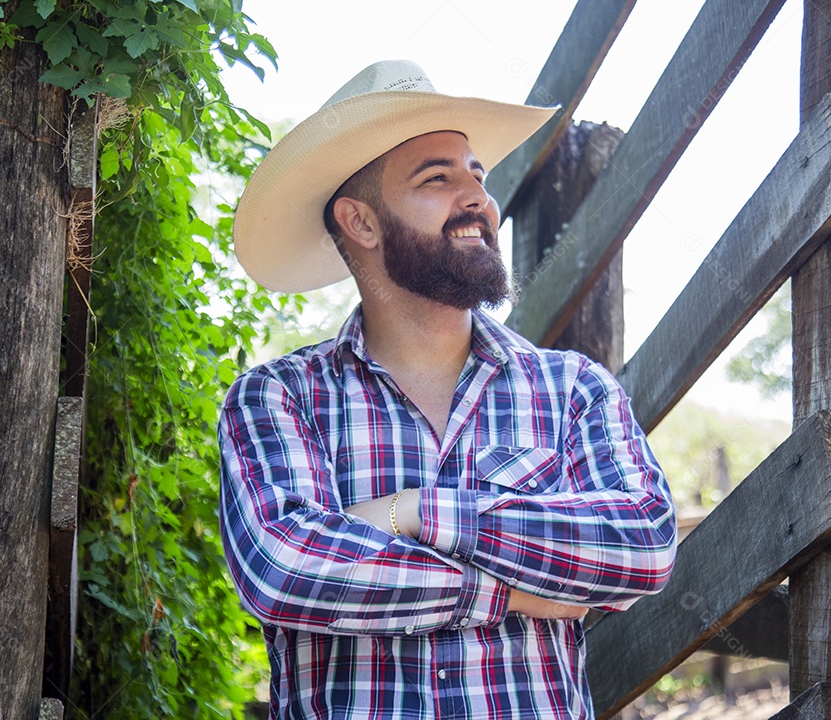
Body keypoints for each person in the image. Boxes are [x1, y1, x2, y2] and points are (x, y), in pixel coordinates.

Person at [219, 59, 677, 720]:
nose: (478, 199)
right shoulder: (277, 400)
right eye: (438, 178)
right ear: (362, 222)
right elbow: (287, 568)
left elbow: (642, 546)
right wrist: (507, 593)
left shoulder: (573, 389)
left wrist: (413, 512)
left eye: (478, 176)